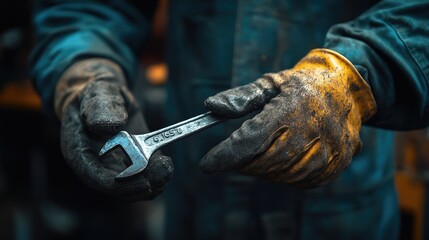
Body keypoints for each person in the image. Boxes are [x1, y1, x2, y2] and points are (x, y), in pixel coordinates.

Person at [30, 0, 429, 239]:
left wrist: (360, 73)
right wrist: (83, 67)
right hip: (192, 208)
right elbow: (89, 7)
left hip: (339, 212)